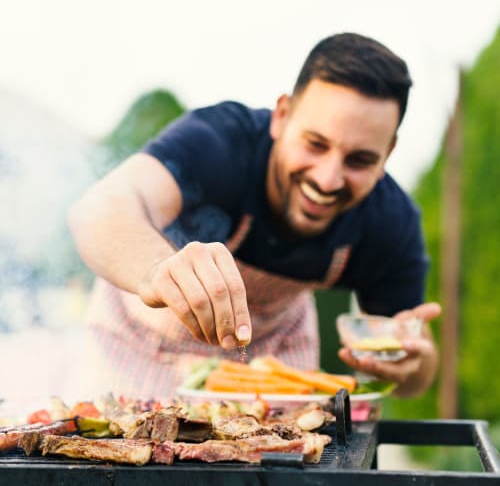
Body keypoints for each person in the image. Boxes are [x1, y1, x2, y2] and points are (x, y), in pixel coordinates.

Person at [69, 32, 440, 400]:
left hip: (274, 363)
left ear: (388, 152)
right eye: (315, 144)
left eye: (360, 160)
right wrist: (156, 271)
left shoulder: (391, 219)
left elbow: (416, 376)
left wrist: (410, 365)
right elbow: (99, 210)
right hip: (138, 349)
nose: (327, 180)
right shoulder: (221, 141)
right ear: (281, 116)